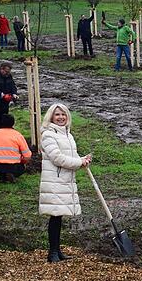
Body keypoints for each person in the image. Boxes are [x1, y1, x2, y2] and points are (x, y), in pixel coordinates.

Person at [39, 103, 92, 262]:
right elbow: (57, 158)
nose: (61, 117)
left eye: (63, 114)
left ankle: (57, 251)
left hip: (65, 180)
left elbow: (71, 155)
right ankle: (52, 253)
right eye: (57, 115)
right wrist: (78, 163)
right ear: (51, 117)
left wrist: (82, 160)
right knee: (55, 216)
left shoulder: (68, 135)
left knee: (59, 216)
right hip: (55, 181)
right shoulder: (48, 135)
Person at [0, 114, 31, 183]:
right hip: (13, 165)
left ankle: (3, 176)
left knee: (3, 168)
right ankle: (12, 174)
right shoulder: (18, 135)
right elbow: (27, 155)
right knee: (20, 168)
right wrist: (23, 162)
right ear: (13, 123)